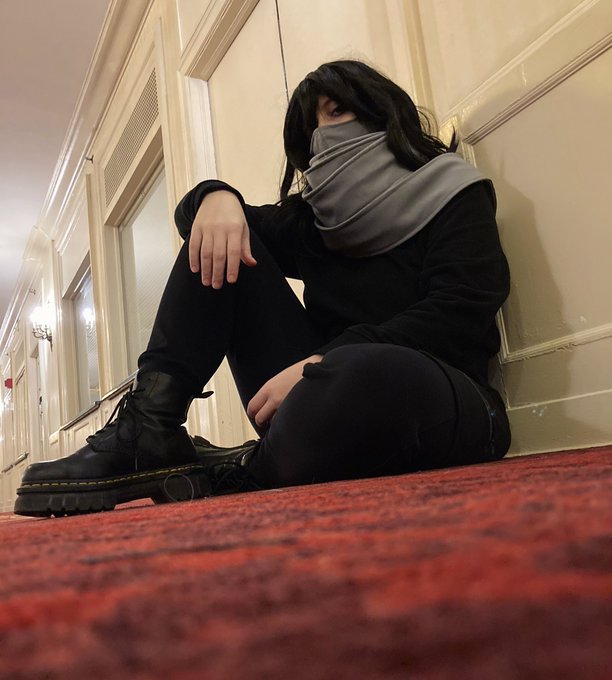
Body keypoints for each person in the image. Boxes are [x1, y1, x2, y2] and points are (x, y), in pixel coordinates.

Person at [14, 60, 511, 517]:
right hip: (320, 404)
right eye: (310, 130)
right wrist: (216, 197)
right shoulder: (315, 223)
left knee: (361, 372)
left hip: (444, 395)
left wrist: (323, 362)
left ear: (379, 109)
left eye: (335, 112)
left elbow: (460, 311)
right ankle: (149, 426)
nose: (322, 136)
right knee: (222, 242)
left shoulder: (453, 189)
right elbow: (199, 222)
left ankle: (245, 469)